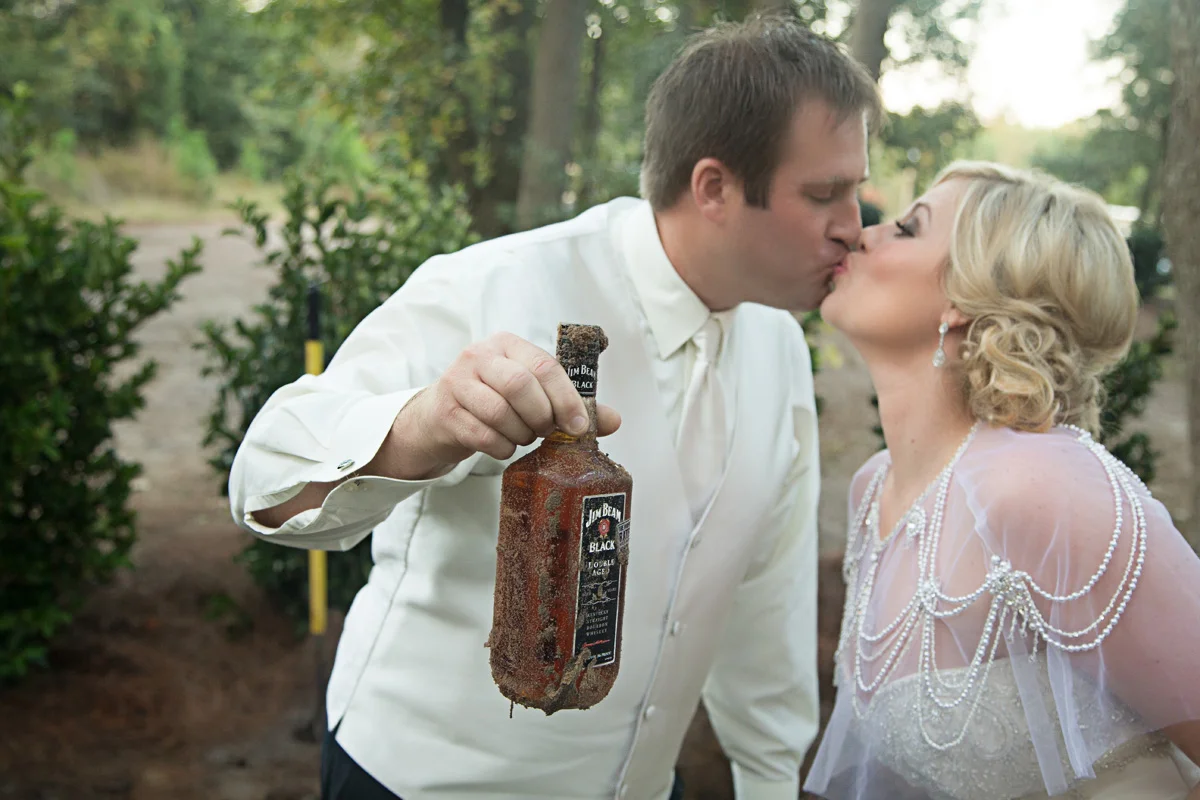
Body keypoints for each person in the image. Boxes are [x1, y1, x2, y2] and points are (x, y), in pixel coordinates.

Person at [228, 15, 882, 800]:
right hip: (419, 784)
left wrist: (769, 780)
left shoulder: (779, 348)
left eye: (856, 190)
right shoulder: (495, 286)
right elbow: (263, 479)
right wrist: (424, 426)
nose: (854, 228)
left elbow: (765, 596)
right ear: (713, 187)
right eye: (824, 194)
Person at [803, 160, 1200, 800]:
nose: (864, 234)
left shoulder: (1036, 487)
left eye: (906, 229)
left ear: (964, 298)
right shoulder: (874, 489)